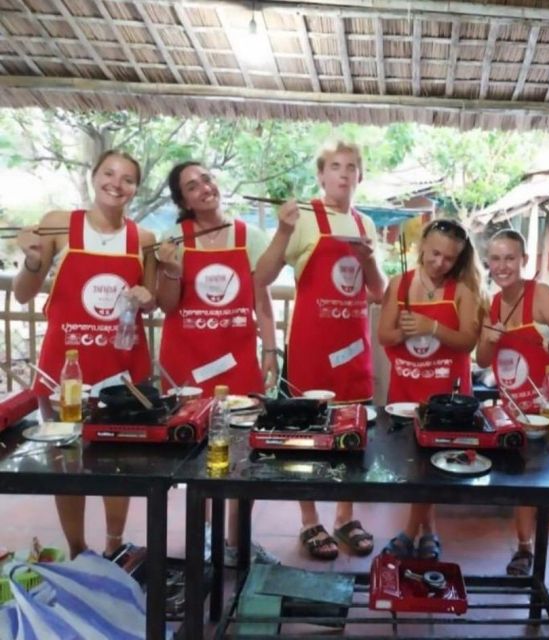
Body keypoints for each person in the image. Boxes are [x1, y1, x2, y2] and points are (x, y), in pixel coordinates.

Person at [12, 150, 156, 559]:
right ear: (94, 177)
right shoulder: (60, 222)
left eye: (128, 178)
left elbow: (150, 301)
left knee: (119, 463)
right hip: (66, 370)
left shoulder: (142, 239)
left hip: (120, 371)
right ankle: (77, 550)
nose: (117, 183)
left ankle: (114, 544)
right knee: (65, 463)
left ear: (135, 189)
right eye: (109, 173)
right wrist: (34, 258)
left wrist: (147, 298)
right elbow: (23, 293)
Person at [255, 140, 385, 560]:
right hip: (311, 349)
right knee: (304, 438)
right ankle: (309, 521)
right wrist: (283, 230)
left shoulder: (366, 224)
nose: (344, 173)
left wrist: (368, 262)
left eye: (352, 166)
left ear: (360, 176)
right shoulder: (305, 219)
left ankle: (345, 517)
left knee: (353, 437)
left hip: (354, 351)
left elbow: (379, 291)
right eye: (335, 166)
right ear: (321, 175)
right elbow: (264, 275)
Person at [156, 161, 280, 566]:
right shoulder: (173, 238)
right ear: (183, 201)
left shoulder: (250, 236)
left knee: (242, 457)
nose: (204, 188)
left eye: (206, 179)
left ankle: (237, 541)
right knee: (195, 461)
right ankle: (203, 542)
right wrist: (171, 270)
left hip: (238, 362)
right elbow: (168, 306)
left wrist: (270, 350)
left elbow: (261, 301)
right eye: (192, 187)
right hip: (187, 363)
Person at [476, 229, 549, 576]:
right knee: (523, 477)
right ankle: (524, 549)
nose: (503, 266)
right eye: (496, 259)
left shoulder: (542, 296)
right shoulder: (492, 304)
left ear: (524, 261)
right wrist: (491, 340)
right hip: (519, 406)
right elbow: (481, 359)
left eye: (510, 258)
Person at [378, 218, 484, 560]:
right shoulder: (399, 284)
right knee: (414, 467)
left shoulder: (464, 291)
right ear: (421, 245)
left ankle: (414, 532)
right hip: (407, 389)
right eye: (435, 253)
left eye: (449, 258)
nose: (440, 263)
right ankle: (427, 532)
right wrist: (405, 332)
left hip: (446, 396)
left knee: (434, 468)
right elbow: (385, 336)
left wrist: (432, 326)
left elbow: (468, 342)